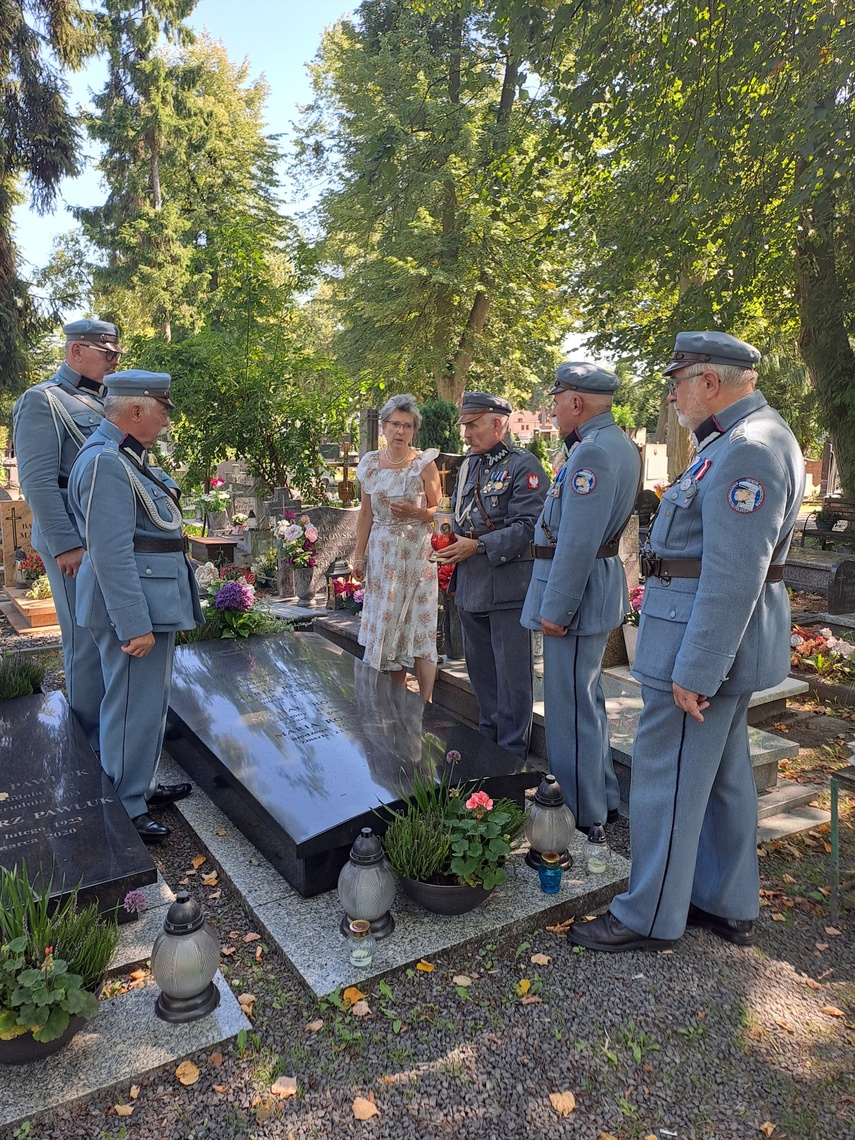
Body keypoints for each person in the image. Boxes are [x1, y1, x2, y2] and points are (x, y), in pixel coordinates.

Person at [570, 331, 805, 952]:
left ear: (710, 382)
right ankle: (727, 903)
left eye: (678, 382)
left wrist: (696, 669)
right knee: (725, 780)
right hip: (714, 640)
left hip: (699, 646)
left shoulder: (747, 449)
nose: (671, 393)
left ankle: (647, 915)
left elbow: (733, 577)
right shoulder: (739, 440)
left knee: (665, 778)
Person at [67, 371, 203, 843]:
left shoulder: (124, 457)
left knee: (146, 704)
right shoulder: (107, 462)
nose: (166, 422)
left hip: (151, 601)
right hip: (133, 608)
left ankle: (137, 784)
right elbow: (110, 552)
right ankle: (125, 805)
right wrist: (133, 624)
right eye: (162, 411)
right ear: (137, 410)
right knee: (129, 706)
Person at [521, 362, 641, 829]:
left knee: (570, 709)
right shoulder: (614, 444)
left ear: (576, 402)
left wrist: (557, 608)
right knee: (586, 703)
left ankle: (572, 811)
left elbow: (576, 539)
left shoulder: (592, 453)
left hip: (575, 593)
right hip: (593, 587)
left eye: (556, 399)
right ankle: (603, 798)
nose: (551, 407)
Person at [12, 319, 123, 749]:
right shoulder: (43, 400)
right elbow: (38, 481)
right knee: (86, 643)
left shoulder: (113, 401)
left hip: (112, 538)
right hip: (76, 544)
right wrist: (65, 544)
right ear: (76, 351)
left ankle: (120, 742)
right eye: (107, 353)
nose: (115, 361)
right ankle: (90, 746)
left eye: (117, 354)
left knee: (117, 637)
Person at [437, 392, 547, 758]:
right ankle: (490, 748)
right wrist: (446, 541)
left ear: (497, 424)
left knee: (513, 678)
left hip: (507, 585)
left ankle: (513, 757)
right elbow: (462, 517)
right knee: (481, 674)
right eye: (465, 425)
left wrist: (479, 546)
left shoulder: (523, 466)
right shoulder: (469, 464)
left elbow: (530, 525)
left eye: (472, 425)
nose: (465, 433)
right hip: (471, 581)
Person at [353, 394, 442, 702]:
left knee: (419, 624)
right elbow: (365, 513)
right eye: (395, 424)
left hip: (417, 554)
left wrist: (416, 513)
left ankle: (426, 704)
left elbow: (438, 512)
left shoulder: (424, 464)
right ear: (384, 427)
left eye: (407, 426)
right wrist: (357, 555)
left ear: (414, 430)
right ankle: (396, 701)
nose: (400, 432)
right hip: (382, 555)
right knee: (390, 625)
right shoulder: (369, 464)